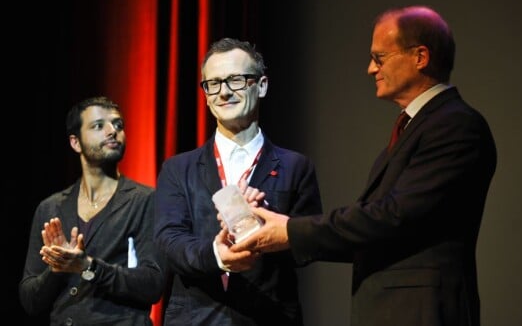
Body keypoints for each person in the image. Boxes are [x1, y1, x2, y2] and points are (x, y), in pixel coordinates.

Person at [230, 5, 497, 326]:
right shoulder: (416, 127)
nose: (371, 69)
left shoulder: (454, 125)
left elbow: (394, 218)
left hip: (421, 311)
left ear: (420, 57)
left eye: (380, 58)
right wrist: (281, 231)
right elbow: (375, 232)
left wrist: (289, 230)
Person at [153, 37, 323, 325]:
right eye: (214, 83)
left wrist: (265, 226)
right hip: (195, 318)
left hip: (268, 316)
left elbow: (310, 248)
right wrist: (217, 256)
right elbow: (168, 243)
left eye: (235, 80)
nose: (224, 92)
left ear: (262, 85)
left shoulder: (296, 166)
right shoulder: (177, 168)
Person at [19, 96, 166, 325]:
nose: (112, 131)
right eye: (99, 126)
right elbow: (30, 300)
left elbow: (153, 284)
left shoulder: (145, 200)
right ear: (75, 142)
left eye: (118, 125)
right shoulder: (51, 208)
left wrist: (88, 266)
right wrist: (57, 269)